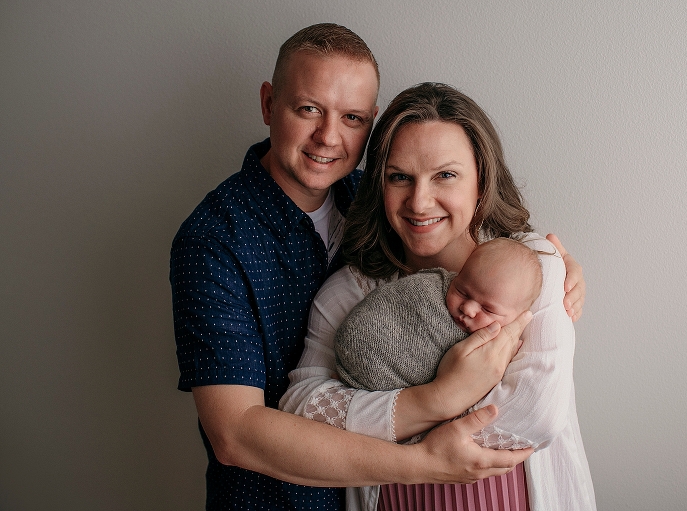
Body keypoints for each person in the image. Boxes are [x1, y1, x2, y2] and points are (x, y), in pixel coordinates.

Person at [170, 23, 585, 511]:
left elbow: (539, 409)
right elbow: (237, 433)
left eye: (351, 117)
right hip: (273, 500)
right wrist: (434, 424)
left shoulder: (360, 198)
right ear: (268, 104)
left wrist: (552, 260)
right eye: (308, 109)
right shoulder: (214, 241)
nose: (329, 138)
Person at [280, 83, 596, 510]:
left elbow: (537, 412)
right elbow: (302, 410)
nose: (420, 201)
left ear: (481, 181)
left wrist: (385, 429)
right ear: (379, 186)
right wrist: (435, 405)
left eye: (445, 175)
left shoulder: (535, 265)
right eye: (400, 177)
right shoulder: (349, 291)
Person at [334, 238, 544, 391]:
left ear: (518, 316)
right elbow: (395, 300)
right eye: (461, 291)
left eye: (487, 309)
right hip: (361, 340)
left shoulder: (511, 341)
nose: (468, 309)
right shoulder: (431, 286)